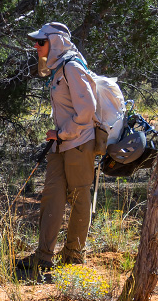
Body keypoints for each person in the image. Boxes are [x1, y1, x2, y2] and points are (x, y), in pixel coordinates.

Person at [17, 22, 102, 275]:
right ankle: (43, 257)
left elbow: (87, 111)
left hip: (78, 143)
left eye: (41, 42)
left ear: (55, 42)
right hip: (61, 144)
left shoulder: (72, 67)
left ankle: (73, 257)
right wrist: (59, 137)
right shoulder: (58, 68)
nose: (36, 46)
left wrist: (62, 133)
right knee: (52, 195)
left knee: (78, 197)